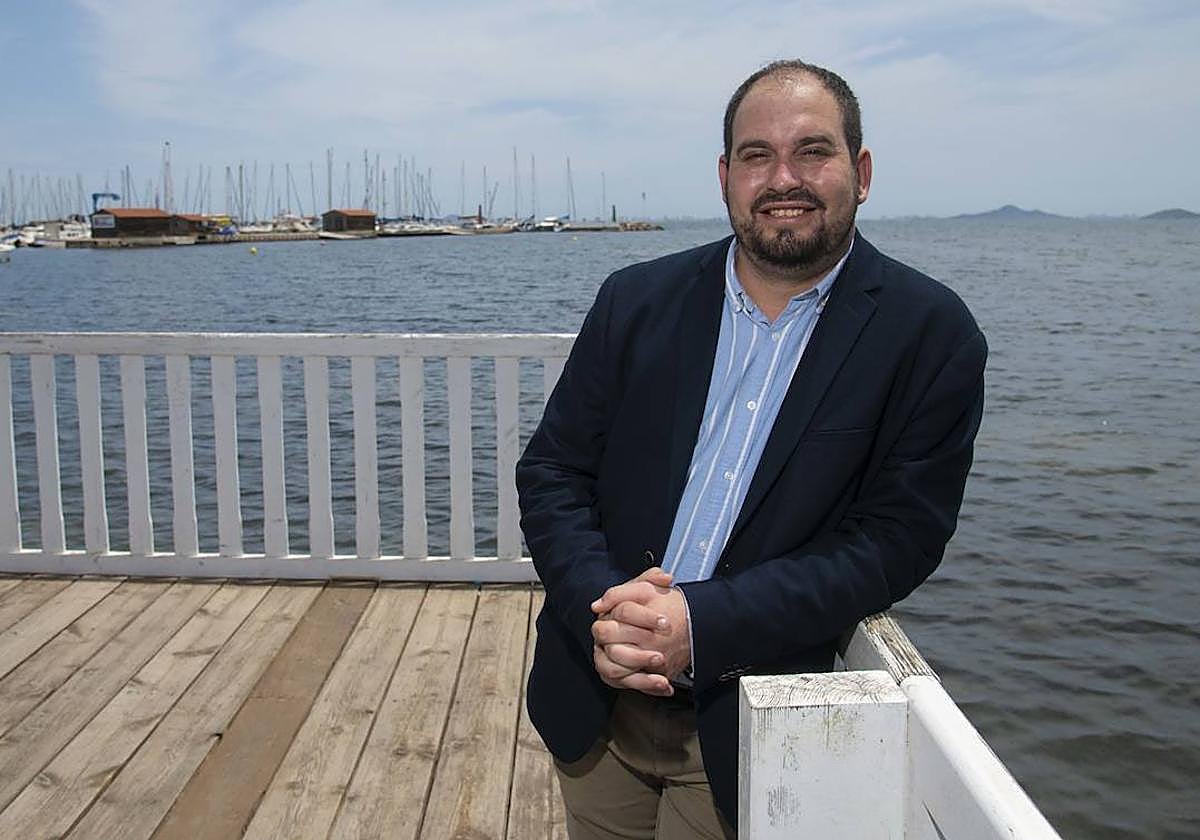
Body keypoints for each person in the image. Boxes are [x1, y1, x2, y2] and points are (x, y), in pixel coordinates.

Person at [516, 59, 987, 839]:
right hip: (594, 705)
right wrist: (603, 610)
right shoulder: (636, 301)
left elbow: (898, 541)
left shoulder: (929, 335)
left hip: (751, 724)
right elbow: (554, 473)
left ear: (860, 172)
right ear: (725, 174)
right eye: (757, 155)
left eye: (814, 151)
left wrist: (701, 621)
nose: (784, 178)